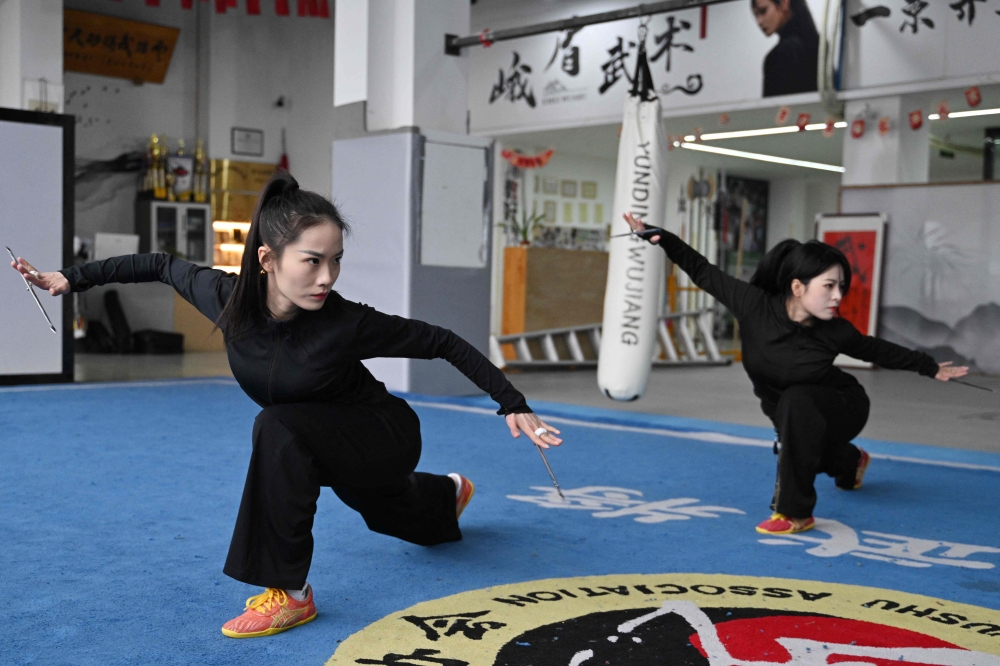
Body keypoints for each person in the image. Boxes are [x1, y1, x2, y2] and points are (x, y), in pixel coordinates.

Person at [10, 170, 563, 639]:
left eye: (336, 261)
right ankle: (445, 494)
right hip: (327, 441)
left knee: (277, 428)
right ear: (267, 258)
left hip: (381, 432)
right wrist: (69, 279)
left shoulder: (345, 322)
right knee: (387, 513)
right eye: (313, 261)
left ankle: (291, 592)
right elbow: (160, 263)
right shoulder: (226, 299)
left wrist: (511, 402)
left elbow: (441, 340)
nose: (327, 278)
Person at [623, 213, 968, 536]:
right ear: (798, 287)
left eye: (842, 287)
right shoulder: (753, 304)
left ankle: (795, 513)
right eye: (829, 286)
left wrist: (930, 366)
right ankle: (851, 461)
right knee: (806, 451)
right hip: (787, 411)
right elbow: (702, 270)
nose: (838, 296)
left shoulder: (836, 331)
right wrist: (662, 237)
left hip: (843, 405)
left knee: (798, 417)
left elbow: (877, 350)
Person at [751, 0, 820, 97]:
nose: (759, 21)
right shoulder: (820, 46)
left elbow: (773, 110)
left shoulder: (779, 55)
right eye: (756, 15)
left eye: (763, 11)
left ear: (784, 3)